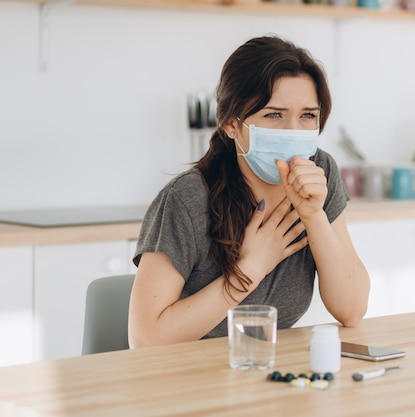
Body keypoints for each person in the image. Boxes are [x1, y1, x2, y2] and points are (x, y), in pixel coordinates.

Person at [128, 35, 370, 348]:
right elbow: (145, 340)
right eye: (274, 115)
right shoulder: (187, 199)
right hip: (186, 379)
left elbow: (351, 310)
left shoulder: (320, 172)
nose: (294, 132)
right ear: (231, 125)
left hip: (269, 373)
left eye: (307, 115)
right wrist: (250, 269)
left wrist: (314, 215)